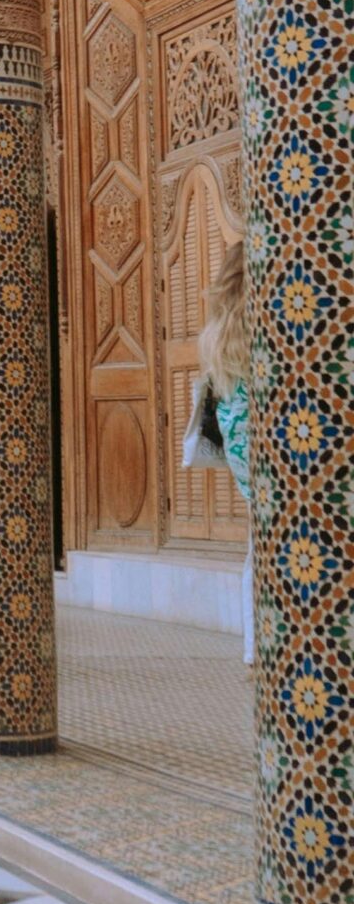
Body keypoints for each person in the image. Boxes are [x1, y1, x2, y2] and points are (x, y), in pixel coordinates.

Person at [189, 243, 255, 665]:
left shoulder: (215, 334)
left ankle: (253, 650)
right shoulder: (265, 319)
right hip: (273, 443)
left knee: (259, 543)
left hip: (240, 447)